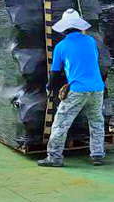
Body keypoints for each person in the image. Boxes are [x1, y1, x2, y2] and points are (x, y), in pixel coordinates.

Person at [37, 9, 106, 167]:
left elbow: (55, 72)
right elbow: (93, 61)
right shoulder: (90, 41)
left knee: (61, 123)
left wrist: (49, 88)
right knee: (96, 121)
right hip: (97, 88)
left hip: (77, 90)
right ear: (79, 26)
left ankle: (54, 157)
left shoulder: (61, 46)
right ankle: (97, 154)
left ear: (64, 29)